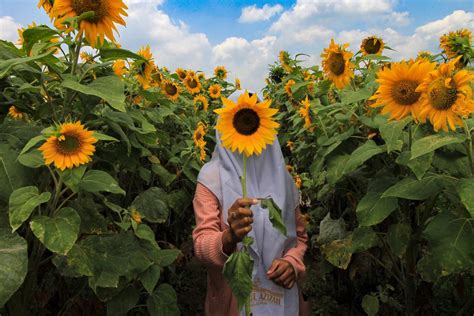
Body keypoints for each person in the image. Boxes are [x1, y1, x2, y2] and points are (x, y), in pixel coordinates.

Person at [192, 120, 309, 315]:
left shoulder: (284, 181)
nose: (246, 133)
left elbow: (300, 238)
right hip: (233, 301)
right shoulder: (211, 179)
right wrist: (229, 237)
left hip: (282, 297)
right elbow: (201, 245)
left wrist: (292, 263)